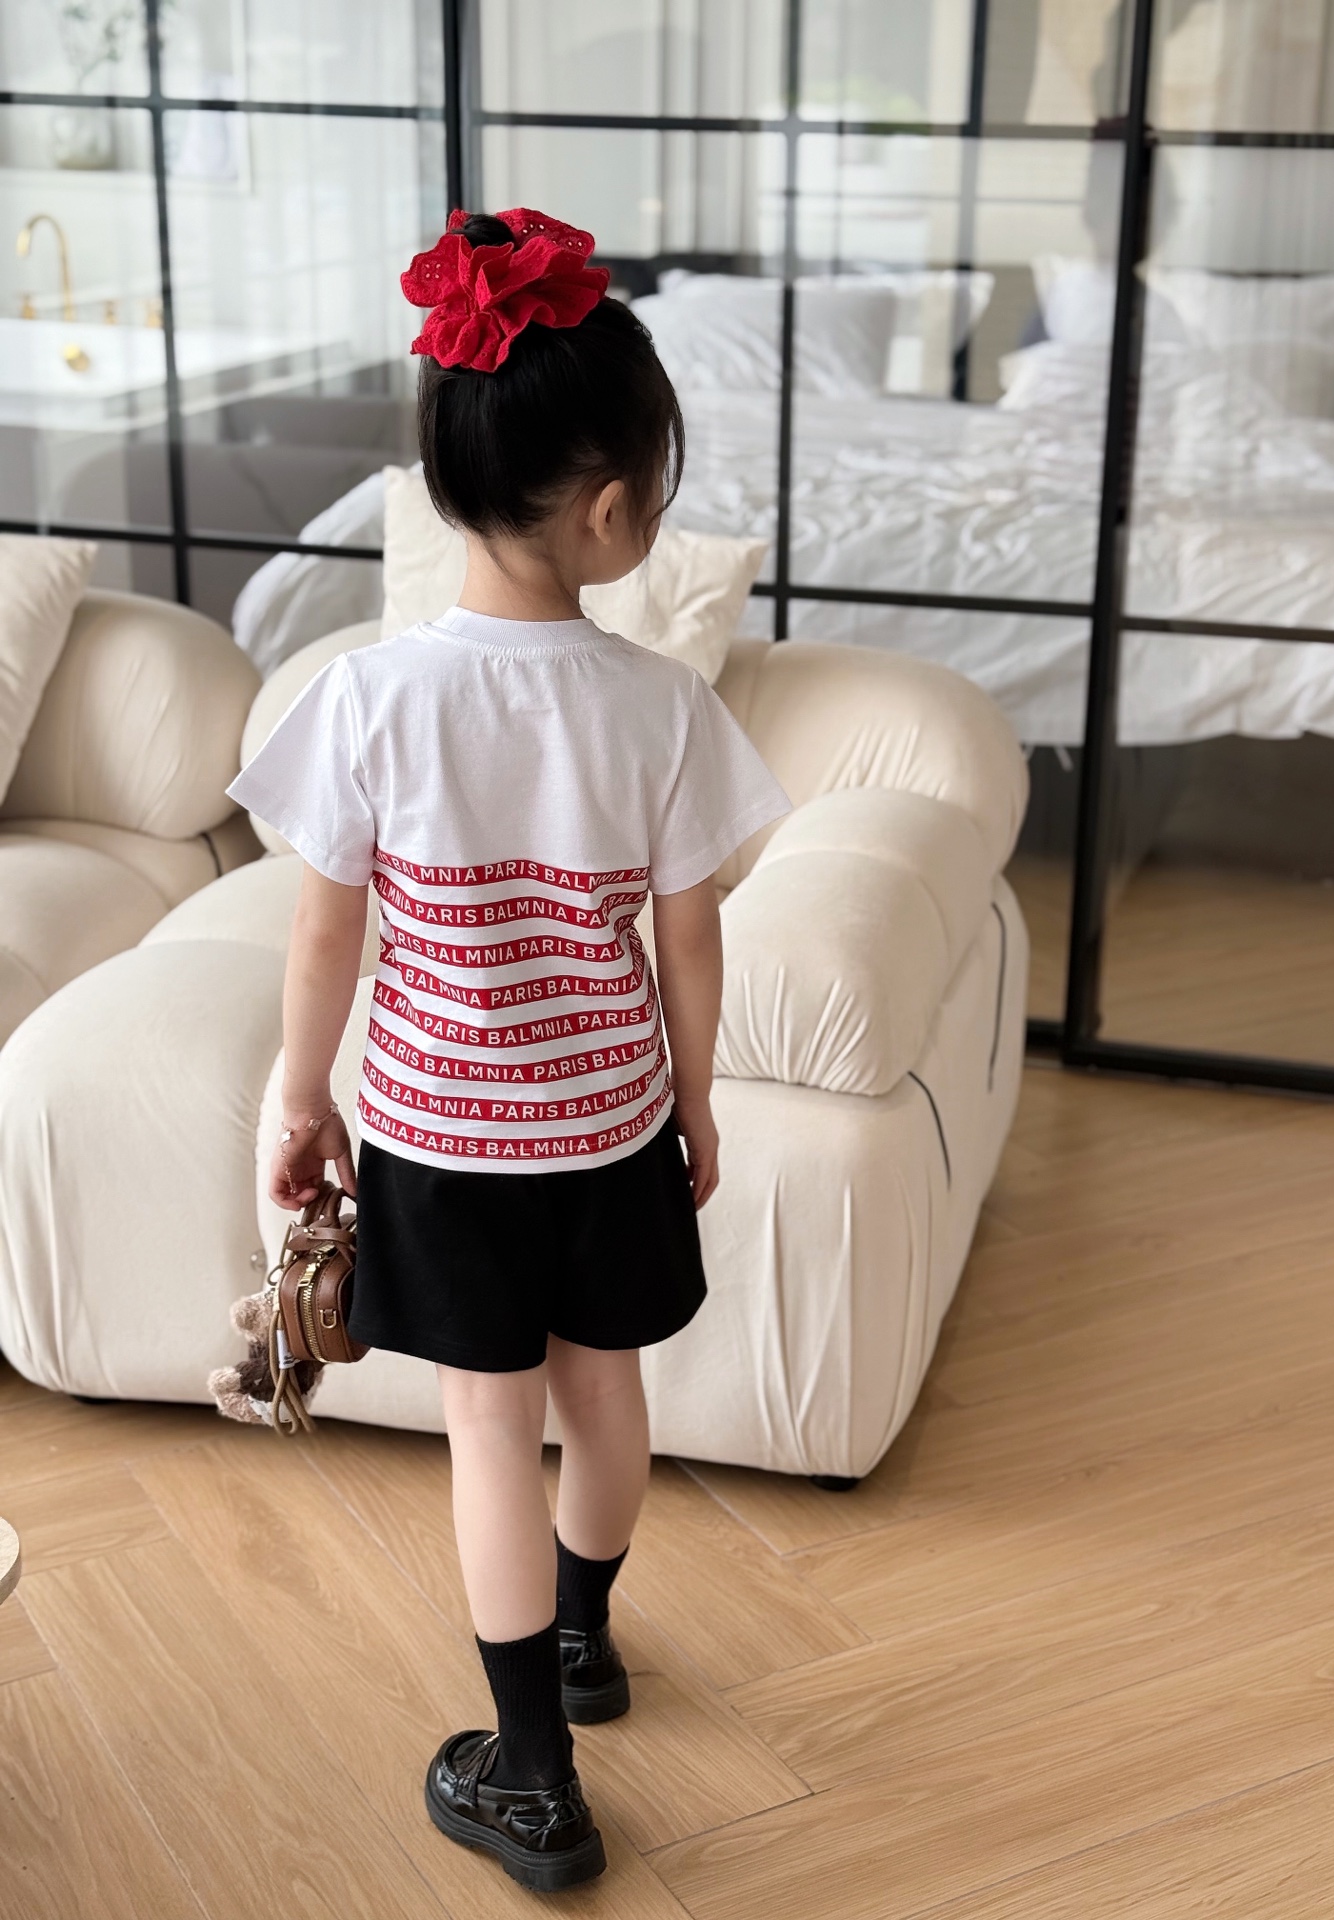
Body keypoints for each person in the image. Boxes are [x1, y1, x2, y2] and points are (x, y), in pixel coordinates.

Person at [228, 206, 790, 1894]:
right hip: (610, 1126)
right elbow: (691, 936)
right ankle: (586, 1638)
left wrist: (300, 1097)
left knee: (491, 1428)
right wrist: (696, 1100)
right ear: (608, 509)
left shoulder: (369, 698)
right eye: (658, 491)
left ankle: (533, 1777)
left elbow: (323, 936)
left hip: (444, 1140)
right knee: (604, 1392)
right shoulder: (660, 705)